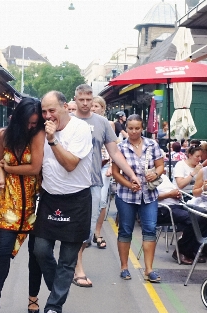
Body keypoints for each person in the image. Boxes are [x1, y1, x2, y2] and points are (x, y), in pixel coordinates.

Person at [0, 98, 45, 313]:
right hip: (9, 199)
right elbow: (0, 167)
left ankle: (33, 297)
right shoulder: (2, 136)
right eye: (28, 122)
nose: (31, 127)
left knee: (36, 252)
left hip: (35, 198)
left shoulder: (38, 135)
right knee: (3, 251)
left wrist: (9, 169)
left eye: (35, 123)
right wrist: (1, 177)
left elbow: (35, 168)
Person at [34, 91, 93, 313]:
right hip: (50, 198)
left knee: (68, 260)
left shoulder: (79, 130)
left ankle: (53, 308)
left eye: (52, 111)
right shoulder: (42, 129)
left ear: (65, 107)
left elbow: (70, 165)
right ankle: (58, 288)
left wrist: (52, 140)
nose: (48, 116)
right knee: (40, 250)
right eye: (44, 112)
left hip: (77, 199)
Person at [70, 84, 139, 288]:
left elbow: (115, 152)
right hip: (70, 183)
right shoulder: (68, 121)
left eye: (88, 99)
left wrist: (131, 174)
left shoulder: (102, 123)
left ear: (93, 100)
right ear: (75, 99)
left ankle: (74, 262)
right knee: (72, 226)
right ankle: (76, 267)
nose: (85, 103)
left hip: (92, 182)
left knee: (88, 228)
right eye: (81, 99)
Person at [112, 114, 164, 283]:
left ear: (142, 129)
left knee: (150, 228)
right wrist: (129, 184)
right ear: (126, 128)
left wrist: (155, 173)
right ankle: (124, 267)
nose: (134, 131)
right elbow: (115, 173)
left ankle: (149, 269)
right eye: (130, 128)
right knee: (125, 229)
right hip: (126, 195)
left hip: (149, 195)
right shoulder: (121, 147)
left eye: (137, 128)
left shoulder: (152, 144)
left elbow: (160, 165)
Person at [157, 174, 207, 265]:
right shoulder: (146, 178)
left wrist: (177, 194)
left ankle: (193, 250)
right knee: (194, 219)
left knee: (206, 215)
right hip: (163, 209)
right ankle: (181, 251)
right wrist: (169, 194)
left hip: (179, 204)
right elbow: (147, 198)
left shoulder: (163, 177)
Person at [90, 96, 115, 250]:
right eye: (92, 105)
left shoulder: (108, 123)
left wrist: (112, 166)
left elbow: (113, 148)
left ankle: (97, 232)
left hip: (104, 166)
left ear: (103, 108)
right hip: (89, 166)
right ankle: (86, 231)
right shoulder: (84, 121)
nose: (93, 108)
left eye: (97, 106)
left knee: (102, 200)